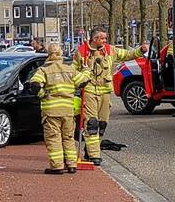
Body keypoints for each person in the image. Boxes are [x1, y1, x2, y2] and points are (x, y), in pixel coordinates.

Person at [72, 30, 147, 165]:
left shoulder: (110, 50)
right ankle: (95, 155)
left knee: (102, 124)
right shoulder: (82, 52)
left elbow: (128, 55)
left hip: (105, 93)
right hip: (89, 92)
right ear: (94, 39)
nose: (105, 41)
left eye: (105, 38)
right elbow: (73, 71)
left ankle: (90, 150)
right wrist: (79, 81)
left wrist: (140, 51)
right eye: (102, 38)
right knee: (92, 124)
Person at [29, 43, 90, 174]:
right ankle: (72, 165)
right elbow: (83, 82)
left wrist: (42, 95)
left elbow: (34, 86)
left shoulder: (43, 70)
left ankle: (57, 166)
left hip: (51, 111)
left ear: (48, 54)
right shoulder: (69, 69)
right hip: (68, 110)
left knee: (53, 138)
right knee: (68, 137)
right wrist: (86, 70)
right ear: (61, 53)